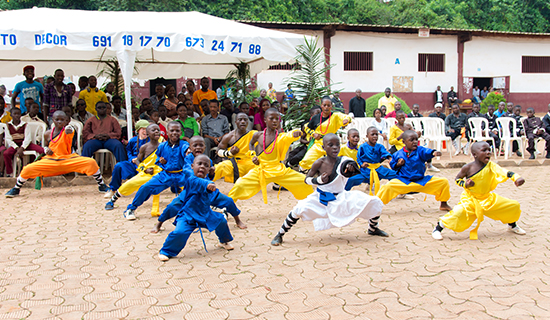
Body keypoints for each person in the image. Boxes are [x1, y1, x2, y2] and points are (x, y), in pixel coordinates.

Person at [271, 133, 386, 246]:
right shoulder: (319, 163)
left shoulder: (344, 160)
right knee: (298, 209)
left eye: (337, 144)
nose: (335, 147)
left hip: (341, 197)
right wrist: (319, 180)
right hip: (320, 198)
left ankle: (373, 228)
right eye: (330, 145)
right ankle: (280, 234)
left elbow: (351, 168)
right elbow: (307, 180)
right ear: (323, 147)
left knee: (374, 201)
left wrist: (349, 170)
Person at [432, 142, 526, 240]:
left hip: (487, 198)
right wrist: (466, 184)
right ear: (475, 154)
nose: (488, 153)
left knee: (512, 205)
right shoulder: (468, 167)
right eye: (484, 150)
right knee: (458, 213)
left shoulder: (491, 165)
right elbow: (457, 179)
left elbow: (503, 171)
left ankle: (512, 225)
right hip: (471, 200)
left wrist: (516, 177)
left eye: (489, 150)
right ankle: (438, 228)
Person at [5, 111, 108, 198]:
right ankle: (16, 188)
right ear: (52, 120)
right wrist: (46, 150)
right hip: (51, 161)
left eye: (62, 120)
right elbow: (45, 146)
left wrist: (69, 128)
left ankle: (101, 185)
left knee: (90, 162)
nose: (59, 122)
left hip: (67, 159)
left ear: (67, 121)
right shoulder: (47, 133)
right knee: (28, 169)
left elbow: (70, 130)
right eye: (57, 119)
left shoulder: (69, 130)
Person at [153, 136, 246, 231]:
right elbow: (189, 174)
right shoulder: (188, 160)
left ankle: (237, 220)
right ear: (190, 147)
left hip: (207, 191)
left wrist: (211, 173)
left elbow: (209, 177)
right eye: (195, 145)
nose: (198, 148)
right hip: (191, 192)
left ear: (205, 147)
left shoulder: (207, 160)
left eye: (201, 145)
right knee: (173, 205)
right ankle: (159, 223)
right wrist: (205, 181)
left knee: (228, 201)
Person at [156, 154, 234, 261]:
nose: (202, 167)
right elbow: (200, 182)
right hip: (188, 215)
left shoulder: (206, 177)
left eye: (206, 166)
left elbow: (207, 179)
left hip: (205, 213)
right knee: (180, 232)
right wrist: (209, 183)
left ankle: (223, 241)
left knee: (221, 221)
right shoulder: (191, 179)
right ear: (192, 166)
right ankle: (166, 251)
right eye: (199, 164)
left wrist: (210, 176)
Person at [228, 108, 314, 204]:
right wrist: (253, 155)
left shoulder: (281, 137)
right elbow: (251, 144)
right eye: (271, 118)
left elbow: (289, 136)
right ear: (265, 120)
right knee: (239, 184)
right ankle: (226, 206)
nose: (274, 121)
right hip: (261, 170)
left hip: (279, 170)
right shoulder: (258, 135)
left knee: (303, 180)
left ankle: (314, 204)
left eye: (277, 119)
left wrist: (295, 133)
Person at [122, 122, 189, 220]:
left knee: (197, 188)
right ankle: (131, 209)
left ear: (181, 132)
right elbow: (157, 158)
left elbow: (186, 152)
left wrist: (188, 153)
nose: (174, 133)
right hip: (165, 174)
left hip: (181, 174)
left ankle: (205, 210)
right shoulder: (162, 146)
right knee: (146, 187)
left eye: (177, 131)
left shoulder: (184, 144)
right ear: (167, 132)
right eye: (172, 130)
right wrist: (161, 161)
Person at [376, 131, 452, 210]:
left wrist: (434, 152)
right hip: (404, 182)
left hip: (421, 181)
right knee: (387, 187)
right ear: (404, 142)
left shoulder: (420, 150)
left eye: (416, 139)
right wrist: (398, 164)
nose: (415, 142)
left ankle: (443, 204)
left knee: (443, 182)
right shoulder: (398, 154)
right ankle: (375, 207)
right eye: (411, 140)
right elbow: (393, 165)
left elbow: (428, 152)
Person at [105, 124, 163, 213]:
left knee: (180, 180)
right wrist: (143, 168)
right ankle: (114, 198)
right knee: (125, 175)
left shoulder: (164, 145)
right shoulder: (141, 145)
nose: (156, 132)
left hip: (160, 173)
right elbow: (136, 159)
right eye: (153, 130)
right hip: (144, 170)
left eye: (158, 130)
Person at [299, 96, 351, 170]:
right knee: (306, 161)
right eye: (324, 105)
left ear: (331, 106)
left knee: (342, 159)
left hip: (332, 143)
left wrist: (346, 120)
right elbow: (306, 127)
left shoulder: (335, 116)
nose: (326, 107)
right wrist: (313, 134)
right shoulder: (316, 118)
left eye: (328, 105)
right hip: (318, 143)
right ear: (321, 106)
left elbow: (346, 117)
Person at [104, 120, 150, 199]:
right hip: (134, 164)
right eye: (143, 129)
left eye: (147, 129)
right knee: (119, 166)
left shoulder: (152, 141)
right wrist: (132, 159)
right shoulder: (133, 140)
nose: (145, 131)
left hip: (147, 165)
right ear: (138, 130)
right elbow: (129, 152)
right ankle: (113, 189)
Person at [345, 127, 397, 193]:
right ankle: (344, 193)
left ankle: (400, 192)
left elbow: (385, 153)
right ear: (367, 136)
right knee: (351, 180)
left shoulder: (380, 146)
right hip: (366, 170)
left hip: (378, 169)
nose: (375, 136)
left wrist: (390, 158)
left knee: (395, 175)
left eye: (376, 134)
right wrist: (362, 164)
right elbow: (358, 158)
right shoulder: (362, 147)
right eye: (372, 134)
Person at [214, 113, 256, 184]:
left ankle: (278, 184)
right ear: (236, 122)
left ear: (248, 122)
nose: (243, 122)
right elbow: (218, 151)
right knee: (221, 166)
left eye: (245, 120)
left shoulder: (254, 134)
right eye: (240, 120)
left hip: (251, 163)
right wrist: (229, 153)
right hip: (235, 164)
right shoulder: (229, 136)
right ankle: (204, 183)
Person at [3, 107, 45, 177]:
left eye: (18, 114)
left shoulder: (25, 124)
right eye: (15, 114)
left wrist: (22, 147)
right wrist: (17, 148)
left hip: (25, 143)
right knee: (6, 153)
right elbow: (8, 139)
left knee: (41, 150)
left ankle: (36, 169)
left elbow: (28, 138)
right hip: (15, 144)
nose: (17, 116)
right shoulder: (8, 125)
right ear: (11, 115)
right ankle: (9, 172)